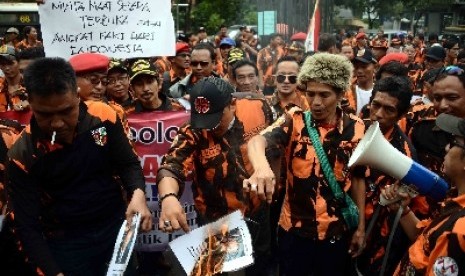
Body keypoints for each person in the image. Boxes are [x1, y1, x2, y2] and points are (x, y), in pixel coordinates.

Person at [6, 57, 152, 276]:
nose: (57, 123)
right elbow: (26, 225)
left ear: (77, 94)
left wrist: (138, 195)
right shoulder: (22, 155)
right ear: (31, 104)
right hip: (66, 245)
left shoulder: (103, 117)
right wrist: (53, 272)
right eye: (45, 114)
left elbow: (128, 163)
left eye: (66, 111)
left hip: (115, 230)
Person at [245, 53, 366, 275]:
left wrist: (360, 228)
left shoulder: (357, 128)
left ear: (340, 94)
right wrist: (262, 168)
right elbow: (257, 141)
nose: (316, 102)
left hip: (336, 234)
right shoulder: (295, 119)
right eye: (311, 94)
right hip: (295, 233)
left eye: (325, 95)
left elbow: (358, 178)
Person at [157, 76, 275, 275]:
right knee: (219, 270)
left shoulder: (258, 108)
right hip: (216, 218)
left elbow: (273, 145)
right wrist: (168, 197)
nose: (209, 127)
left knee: (261, 265)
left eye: (215, 118)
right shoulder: (193, 130)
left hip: (257, 209)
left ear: (232, 105)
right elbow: (172, 164)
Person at [383, 113, 465, 275]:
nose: (446, 148)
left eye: (454, 142)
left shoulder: (459, 230)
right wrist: (404, 212)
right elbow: (428, 241)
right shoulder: (455, 203)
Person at [356, 76, 417, 275]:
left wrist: (364, 232)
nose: (378, 114)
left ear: (402, 114)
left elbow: (393, 209)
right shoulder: (355, 129)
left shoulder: (404, 154)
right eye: (376, 105)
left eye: (389, 109)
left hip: (376, 235)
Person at [345, 48, 377, 115]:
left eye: (364, 66)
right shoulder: (346, 92)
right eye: (356, 67)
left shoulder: (380, 92)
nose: (359, 71)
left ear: (374, 68)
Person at [0, 45, 28, 111]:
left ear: (19, 63)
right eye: (3, 64)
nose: (7, 68)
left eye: (10, 63)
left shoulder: (32, 84)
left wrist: (30, 104)